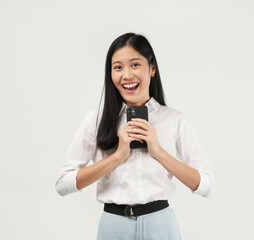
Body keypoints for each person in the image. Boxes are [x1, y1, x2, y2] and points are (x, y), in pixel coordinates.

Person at [55, 32, 214, 240]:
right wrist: (117, 156)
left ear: (152, 68)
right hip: (114, 225)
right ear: (110, 74)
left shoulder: (175, 120)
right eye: (118, 67)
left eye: (135, 65)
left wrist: (158, 153)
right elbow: (62, 184)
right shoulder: (95, 121)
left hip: (161, 223)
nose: (127, 75)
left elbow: (206, 186)